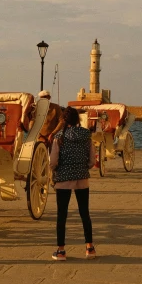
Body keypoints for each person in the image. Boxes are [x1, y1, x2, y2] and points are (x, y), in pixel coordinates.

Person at [49, 106, 97, 261]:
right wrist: (82, 167)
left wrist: (55, 170)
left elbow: (53, 161)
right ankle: (89, 248)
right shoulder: (86, 135)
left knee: (61, 215)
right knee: (85, 213)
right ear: (77, 120)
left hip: (63, 179)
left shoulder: (59, 136)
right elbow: (92, 160)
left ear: (63, 119)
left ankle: (61, 250)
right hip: (82, 179)